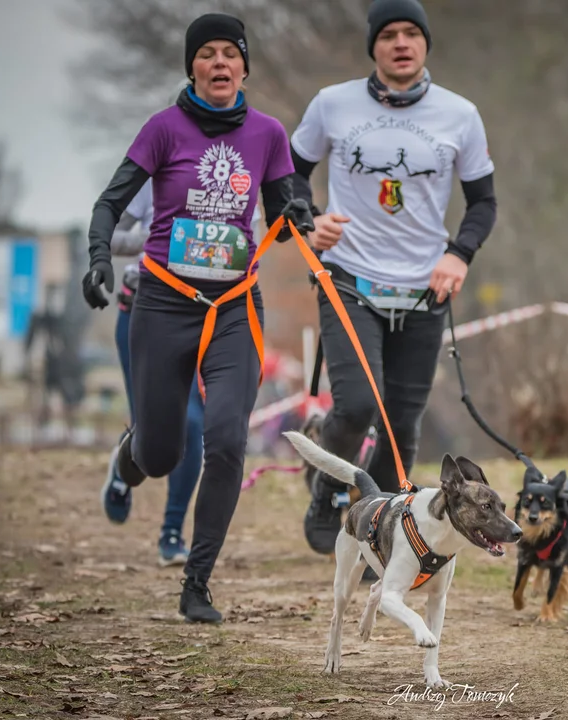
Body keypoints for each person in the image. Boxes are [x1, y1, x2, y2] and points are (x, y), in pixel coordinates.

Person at [81, 12, 314, 623]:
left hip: (235, 306)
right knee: (161, 454)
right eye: (206, 54)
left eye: (229, 54)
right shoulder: (163, 128)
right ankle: (127, 457)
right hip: (163, 303)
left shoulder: (267, 134)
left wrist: (298, 215)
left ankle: (197, 583)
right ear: (192, 66)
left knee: (228, 442)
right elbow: (109, 203)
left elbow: (286, 208)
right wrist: (99, 258)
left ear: (243, 66)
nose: (218, 64)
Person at [289, 0, 498, 555]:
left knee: (402, 425)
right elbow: (286, 175)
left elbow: (483, 203)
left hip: (425, 289)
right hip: (350, 278)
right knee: (359, 405)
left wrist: (459, 254)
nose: (401, 43)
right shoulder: (333, 104)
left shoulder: (460, 114)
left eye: (412, 34)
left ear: (425, 44)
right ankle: (327, 493)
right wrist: (309, 223)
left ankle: (373, 516)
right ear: (373, 46)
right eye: (389, 35)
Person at [100, 177, 260, 566]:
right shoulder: (155, 170)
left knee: (192, 425)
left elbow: (251, 247)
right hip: (147, 310)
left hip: (212, 317)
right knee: (156, 432)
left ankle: (171, 531)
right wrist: (163, 238)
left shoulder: (243, 174)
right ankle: (126, 462)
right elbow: (109, 234)